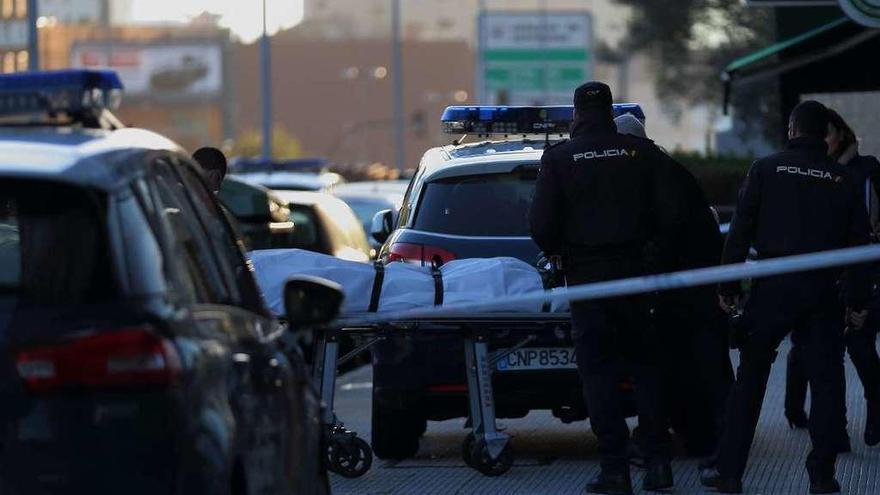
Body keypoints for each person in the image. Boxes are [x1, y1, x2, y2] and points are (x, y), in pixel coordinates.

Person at [702, 101, 871, 494]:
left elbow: (739, 231)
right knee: (828, 383)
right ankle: (823, 475)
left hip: (773, 286)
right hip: (821, 292)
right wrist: (858, 303)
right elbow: (858, 247)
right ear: (824, 135)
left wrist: (727, 287)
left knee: (751, 379)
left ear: (792, 130)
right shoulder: (841, 178)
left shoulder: (766, 169)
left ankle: (729, 472)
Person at [529, 82, 689, 494]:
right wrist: (652, 255)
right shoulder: (641, 153)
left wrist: (561, 251)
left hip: (588, 281)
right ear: (610, 111)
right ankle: (657, 464)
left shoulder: (560, 158)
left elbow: (541, 226)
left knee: (598, 375)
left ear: (577, 114)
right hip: (637, 278)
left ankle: (615, 469)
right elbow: (673, 217)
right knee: (646, 370)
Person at [615, 113, 735, 463]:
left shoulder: (647, 174)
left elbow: (660, 235)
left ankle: (714, 445)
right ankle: (711, 441)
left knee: (685, 369)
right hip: (692, 290)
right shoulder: (670, 171)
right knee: (698, 371)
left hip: (681, 293)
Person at [784, 109, 880, 447]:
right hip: (823, 272)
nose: (822, 140)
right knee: (817, 349)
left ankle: (869, 409)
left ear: (841, 133)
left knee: (857, 342)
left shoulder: (865, 170)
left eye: (827, 132)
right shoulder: (813, 171)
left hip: (862, 269)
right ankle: (807, 414)